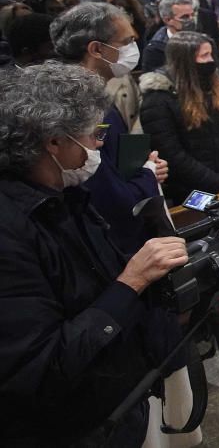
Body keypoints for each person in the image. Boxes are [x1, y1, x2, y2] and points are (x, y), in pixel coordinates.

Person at [0, 62, 188, 447]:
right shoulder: (11, 232)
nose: (98, 144)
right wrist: (131, 281)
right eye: (91, 134)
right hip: (71, 427)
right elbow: (43, 366)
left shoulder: (64, 194)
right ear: (53, 141)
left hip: (112, 402)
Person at [50, 3, 169, 254]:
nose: (133, 48)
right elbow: (107, 193)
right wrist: (146, 174)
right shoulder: (79, 106)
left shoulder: (93, 93)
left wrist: (141, 165)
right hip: (111, 241)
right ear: (96, 49)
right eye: (126, 41)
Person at [139, 31, 219, 204]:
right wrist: (216, 181)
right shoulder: (158, 98)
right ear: (186, 62)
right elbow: (172, 154)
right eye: (204, 56)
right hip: (188, 191)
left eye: (211, 54)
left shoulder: (217, 87)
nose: (211, 61)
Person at [142, 0, 196, 72]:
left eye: (192, 15)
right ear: (167, 20)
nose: (191, 20)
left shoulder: (202, 39)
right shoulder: (155, 50)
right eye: (185, 17)